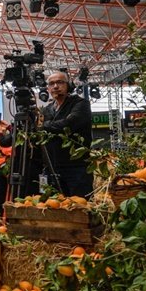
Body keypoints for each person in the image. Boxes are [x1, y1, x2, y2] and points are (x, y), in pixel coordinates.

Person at [39, 70, 93, 198]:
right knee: (55, 207)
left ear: (69, 85)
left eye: (60, 82)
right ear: (48, 88)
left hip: (76, 167)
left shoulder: (80, 104)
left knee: (80, 206)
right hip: (53, 167)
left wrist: (44, 126)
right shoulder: (47, 109)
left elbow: (68, 124)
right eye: (51, 84)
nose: (55, 86)